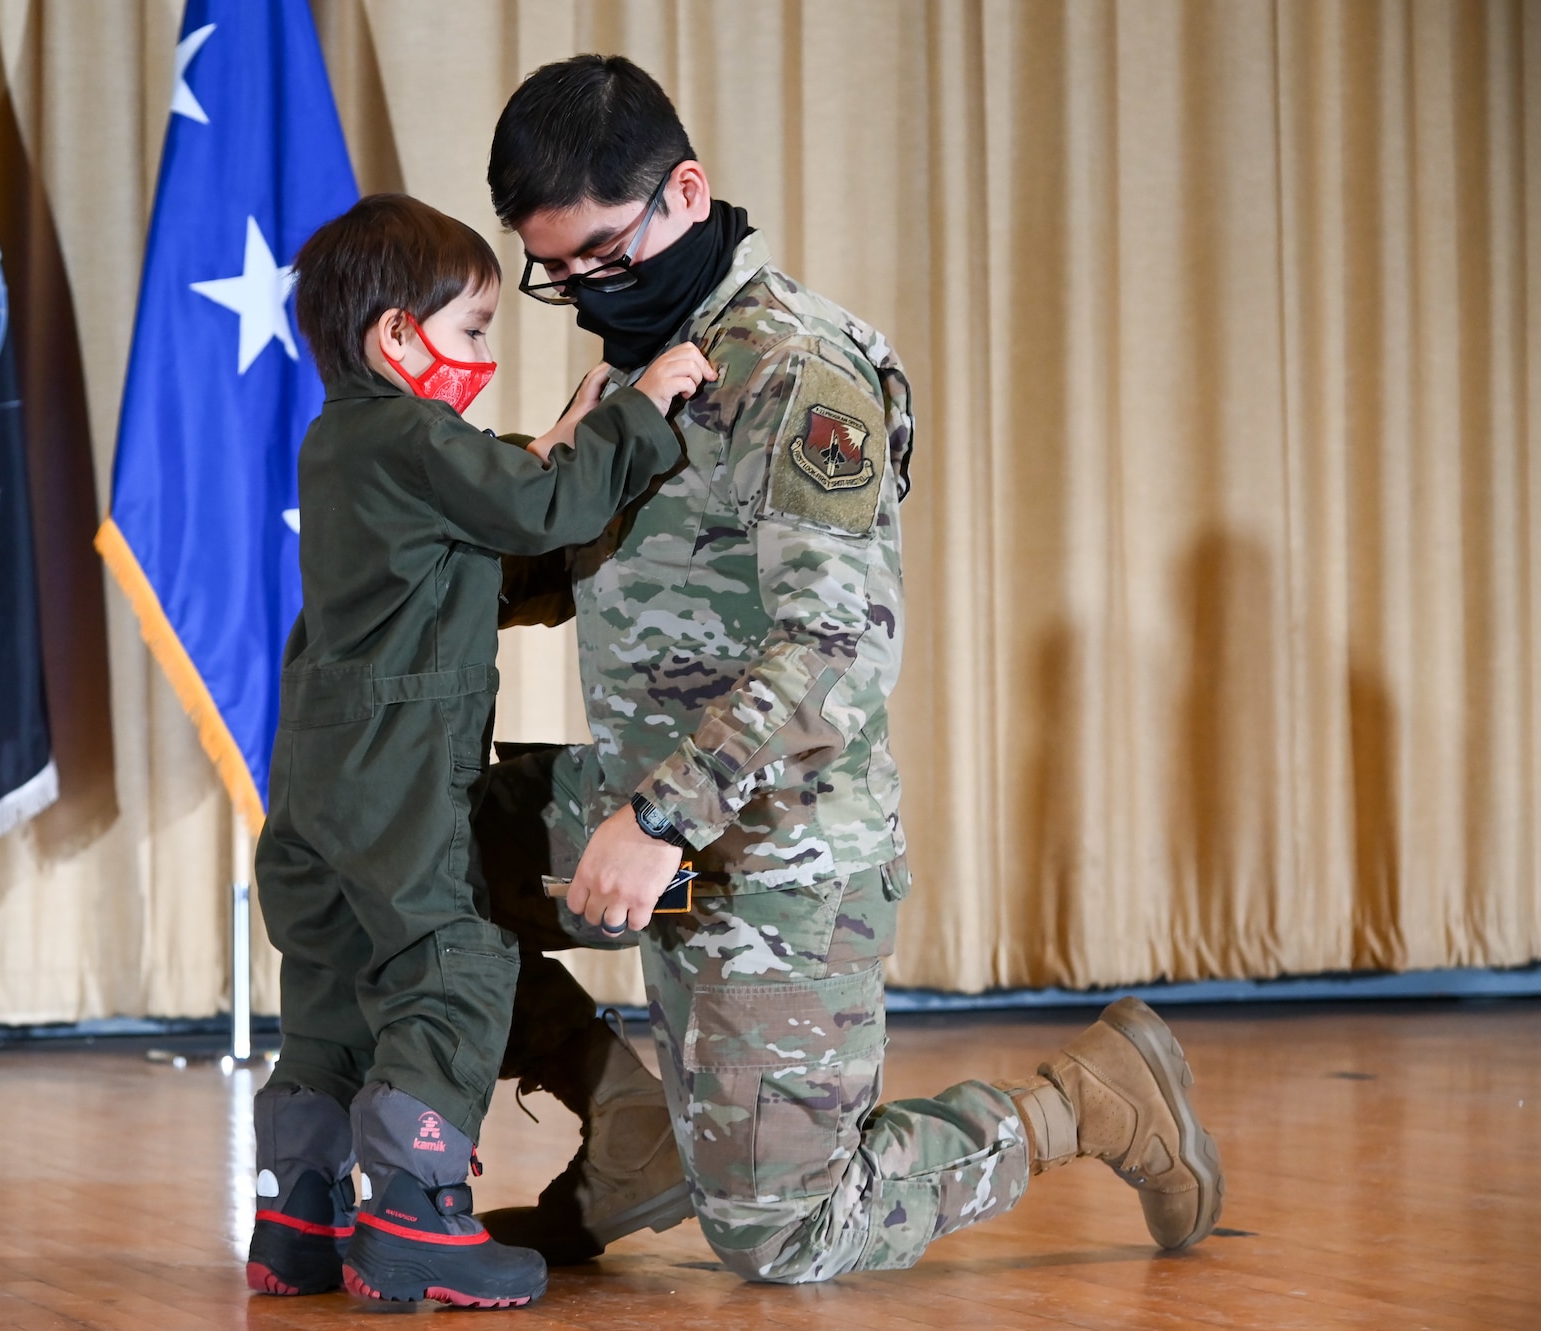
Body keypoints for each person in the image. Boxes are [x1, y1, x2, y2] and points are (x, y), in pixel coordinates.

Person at [471, 56, 1225, 1282]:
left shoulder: (795, 370)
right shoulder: (637, 351)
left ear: (684, 194)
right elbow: (582, 555)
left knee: (784, 1234)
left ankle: (1087, 1099)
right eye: (552, 273)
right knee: (371, 853)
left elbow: (833, 649)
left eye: (600, 259)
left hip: (776, 848)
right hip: (635, 798)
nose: (580, 292)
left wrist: (660, 816)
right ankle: (628, 1129)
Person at [244, 192, 713, 1308]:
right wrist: (639, 411)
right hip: (396, 759)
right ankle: (414, 1209)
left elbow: (472, 516)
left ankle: (296, 1210)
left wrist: (553, 441)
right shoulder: (413, 434)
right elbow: (542, 507)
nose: (484, 354)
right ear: (395, 337)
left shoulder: (339, 438)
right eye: (469, 330)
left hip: (313, 769)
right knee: (451, 962)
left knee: (329, 984)